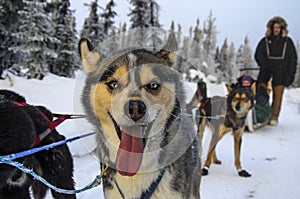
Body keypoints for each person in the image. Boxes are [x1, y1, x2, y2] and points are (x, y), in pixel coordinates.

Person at [254, 16, 298, 126]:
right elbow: (258, 55)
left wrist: (290, 75)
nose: (276, 30)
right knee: (261, 91)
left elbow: (293, 60)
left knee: (278, 94)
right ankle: (261, 113)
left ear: (282, 29)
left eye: (278, 28)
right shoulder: (264, 41)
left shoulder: (288, 42)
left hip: (281, 71)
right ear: (271, 28)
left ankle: (274, 116)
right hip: (266, 69)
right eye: (274, 27)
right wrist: (264, 65)